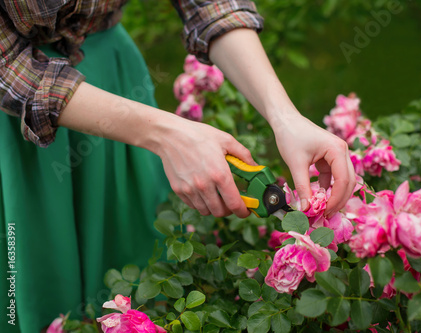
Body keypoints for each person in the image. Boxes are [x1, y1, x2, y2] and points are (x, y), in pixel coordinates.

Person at [0, 0, 355, 331]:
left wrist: (284, 117)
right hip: (19, 116)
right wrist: (166, 136)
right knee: (31, 290)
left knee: (133, 281)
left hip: (115, 84)